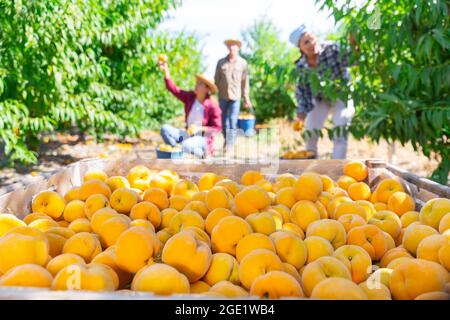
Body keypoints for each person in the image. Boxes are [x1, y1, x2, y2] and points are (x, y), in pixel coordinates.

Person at [289, 24, 357, 159]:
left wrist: (354, 46)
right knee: (310, 131)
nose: (311, 43)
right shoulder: (301, 66)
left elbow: (354, 61)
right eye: (306, 42)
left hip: (341, 95)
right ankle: (311, 167)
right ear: (300, 48)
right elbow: (302, 92)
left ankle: (337, 168)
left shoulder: (332, 48)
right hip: (321, 99)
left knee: (341, 130)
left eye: (312, 38)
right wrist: (301, 114)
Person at [158, 59, 222, 158]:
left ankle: (204, 154)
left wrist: (199, 128)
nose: (196, 85)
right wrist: (165, 69)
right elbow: (174, 89)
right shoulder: (190, 97)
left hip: (202, 138)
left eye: (200, 84)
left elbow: (217, 128)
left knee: (186, 145)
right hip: (188, 135)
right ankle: (176, 152)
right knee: (165, 129)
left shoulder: (212, 105)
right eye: (197, 82)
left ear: (207, 89)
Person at [214, 39, 252, 149]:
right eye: (230, 46)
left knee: (232, 119)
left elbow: (245, 81)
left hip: (236, 96)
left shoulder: (243, 63)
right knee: (224, 121)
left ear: (238, 48)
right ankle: (227, 140)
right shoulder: (221, 62)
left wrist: (246, 98)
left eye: (234, 46)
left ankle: (230, 144)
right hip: (223, 96)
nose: (232, 48)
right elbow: (216, 79)